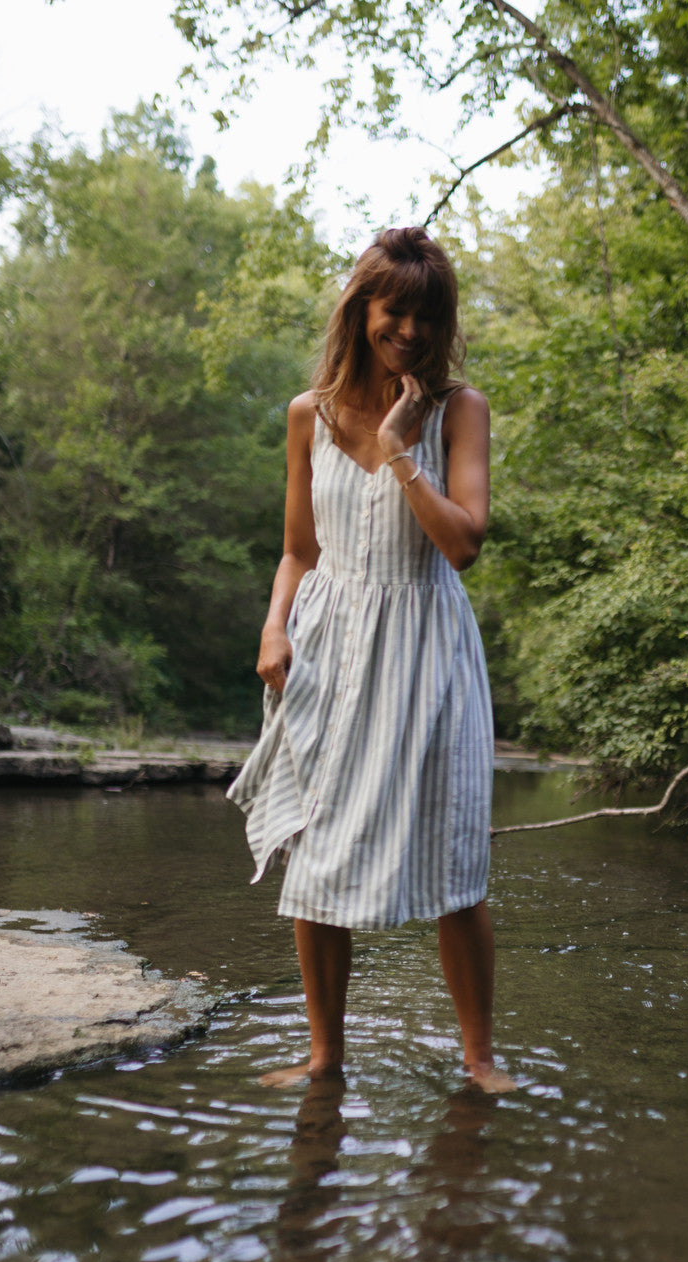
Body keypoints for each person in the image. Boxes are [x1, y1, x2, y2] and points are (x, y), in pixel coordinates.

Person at [227, 226, 514, 1093]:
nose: (413, 333)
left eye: (429, 317)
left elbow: (462, 546)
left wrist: (399, 448)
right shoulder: (305, 415)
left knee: (453, 860)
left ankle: (479, 1060)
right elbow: (297, 551)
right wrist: (275, 626)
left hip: (428, 647)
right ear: (362, 310)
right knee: (314, 858)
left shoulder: (459, 410)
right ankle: (325, 1060)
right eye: (397, 313)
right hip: (327, 648)